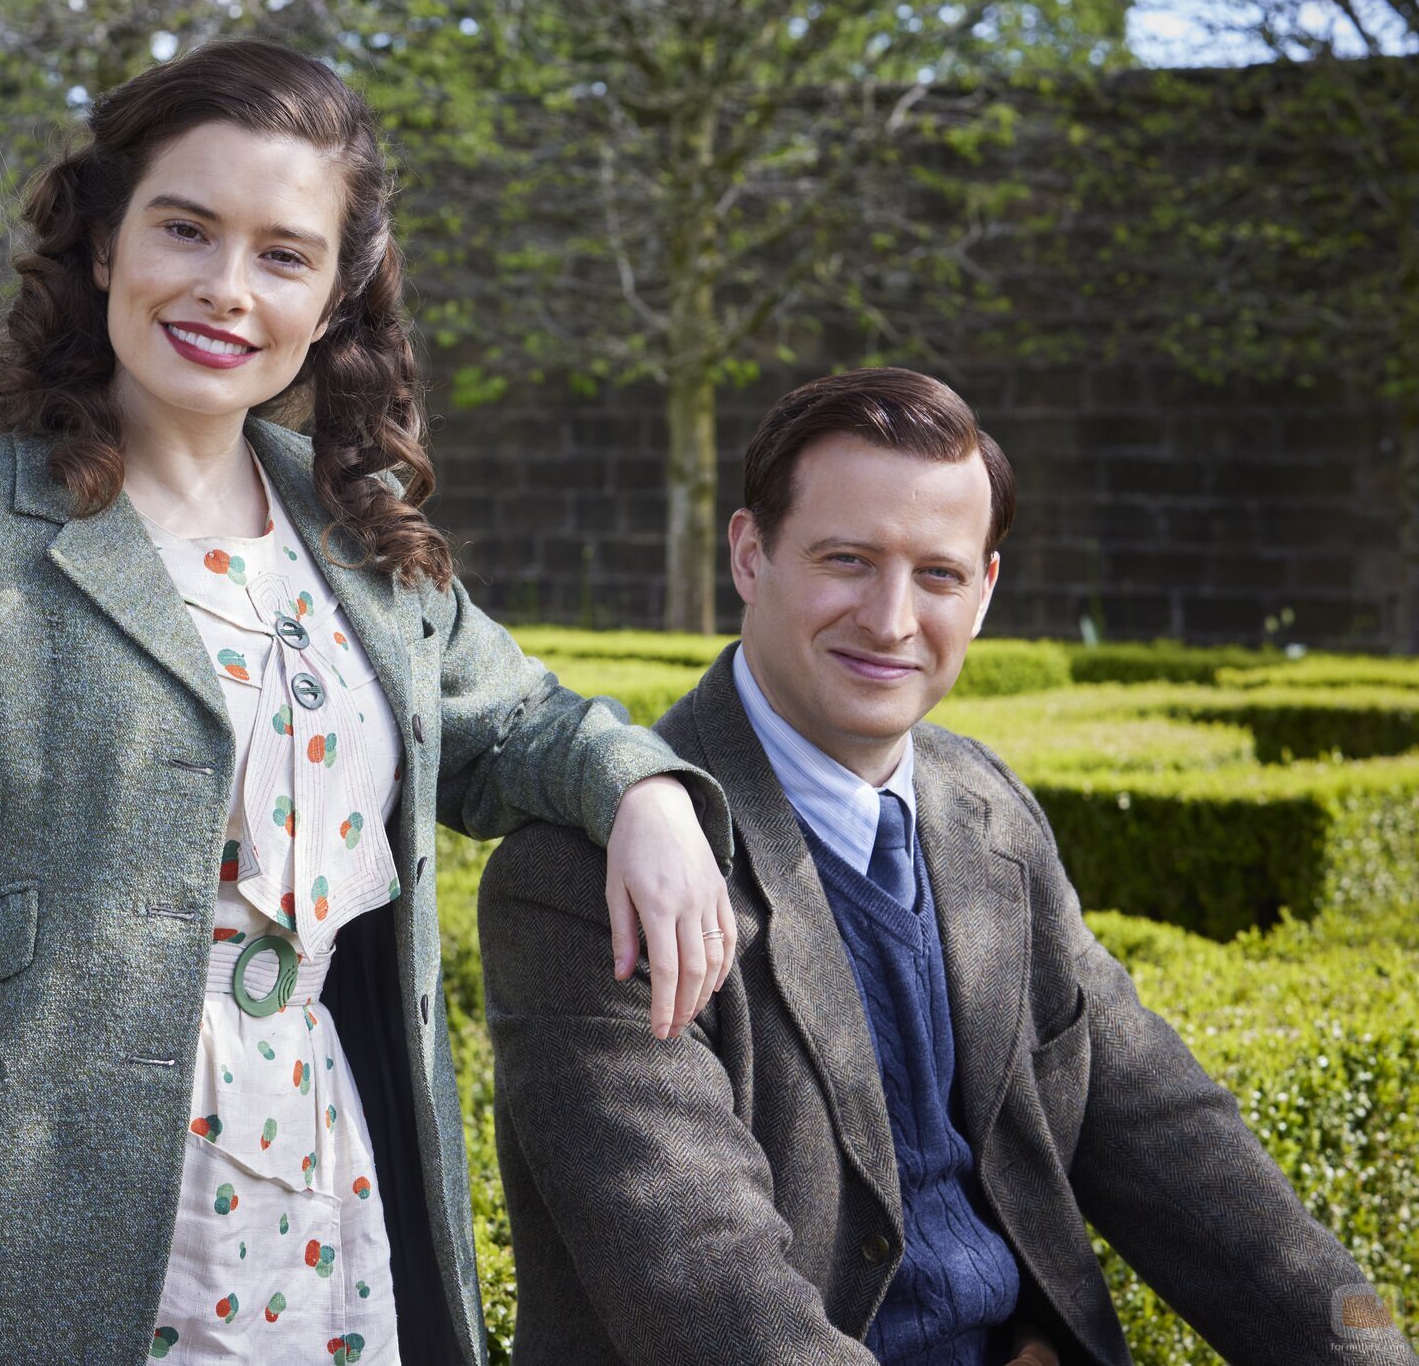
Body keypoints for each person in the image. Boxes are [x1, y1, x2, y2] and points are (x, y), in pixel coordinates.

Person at [0, 38, 735, 1366]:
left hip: (329, 1198)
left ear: (331, 299)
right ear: (103, 245)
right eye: (185, 229)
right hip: (28, 1249)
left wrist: (647, 788)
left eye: (282, 253)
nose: (225, 289)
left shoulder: (357, 531)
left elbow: (526, 724)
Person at [480, 368, 1414, 1365]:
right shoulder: (584, 877)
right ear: (750, 554)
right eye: (846, 559)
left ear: (984, 592)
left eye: (936, 574)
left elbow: (1171, 1137)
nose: (889, 619)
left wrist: (1367, 1350)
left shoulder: (985, 809)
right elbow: (708, 1291)